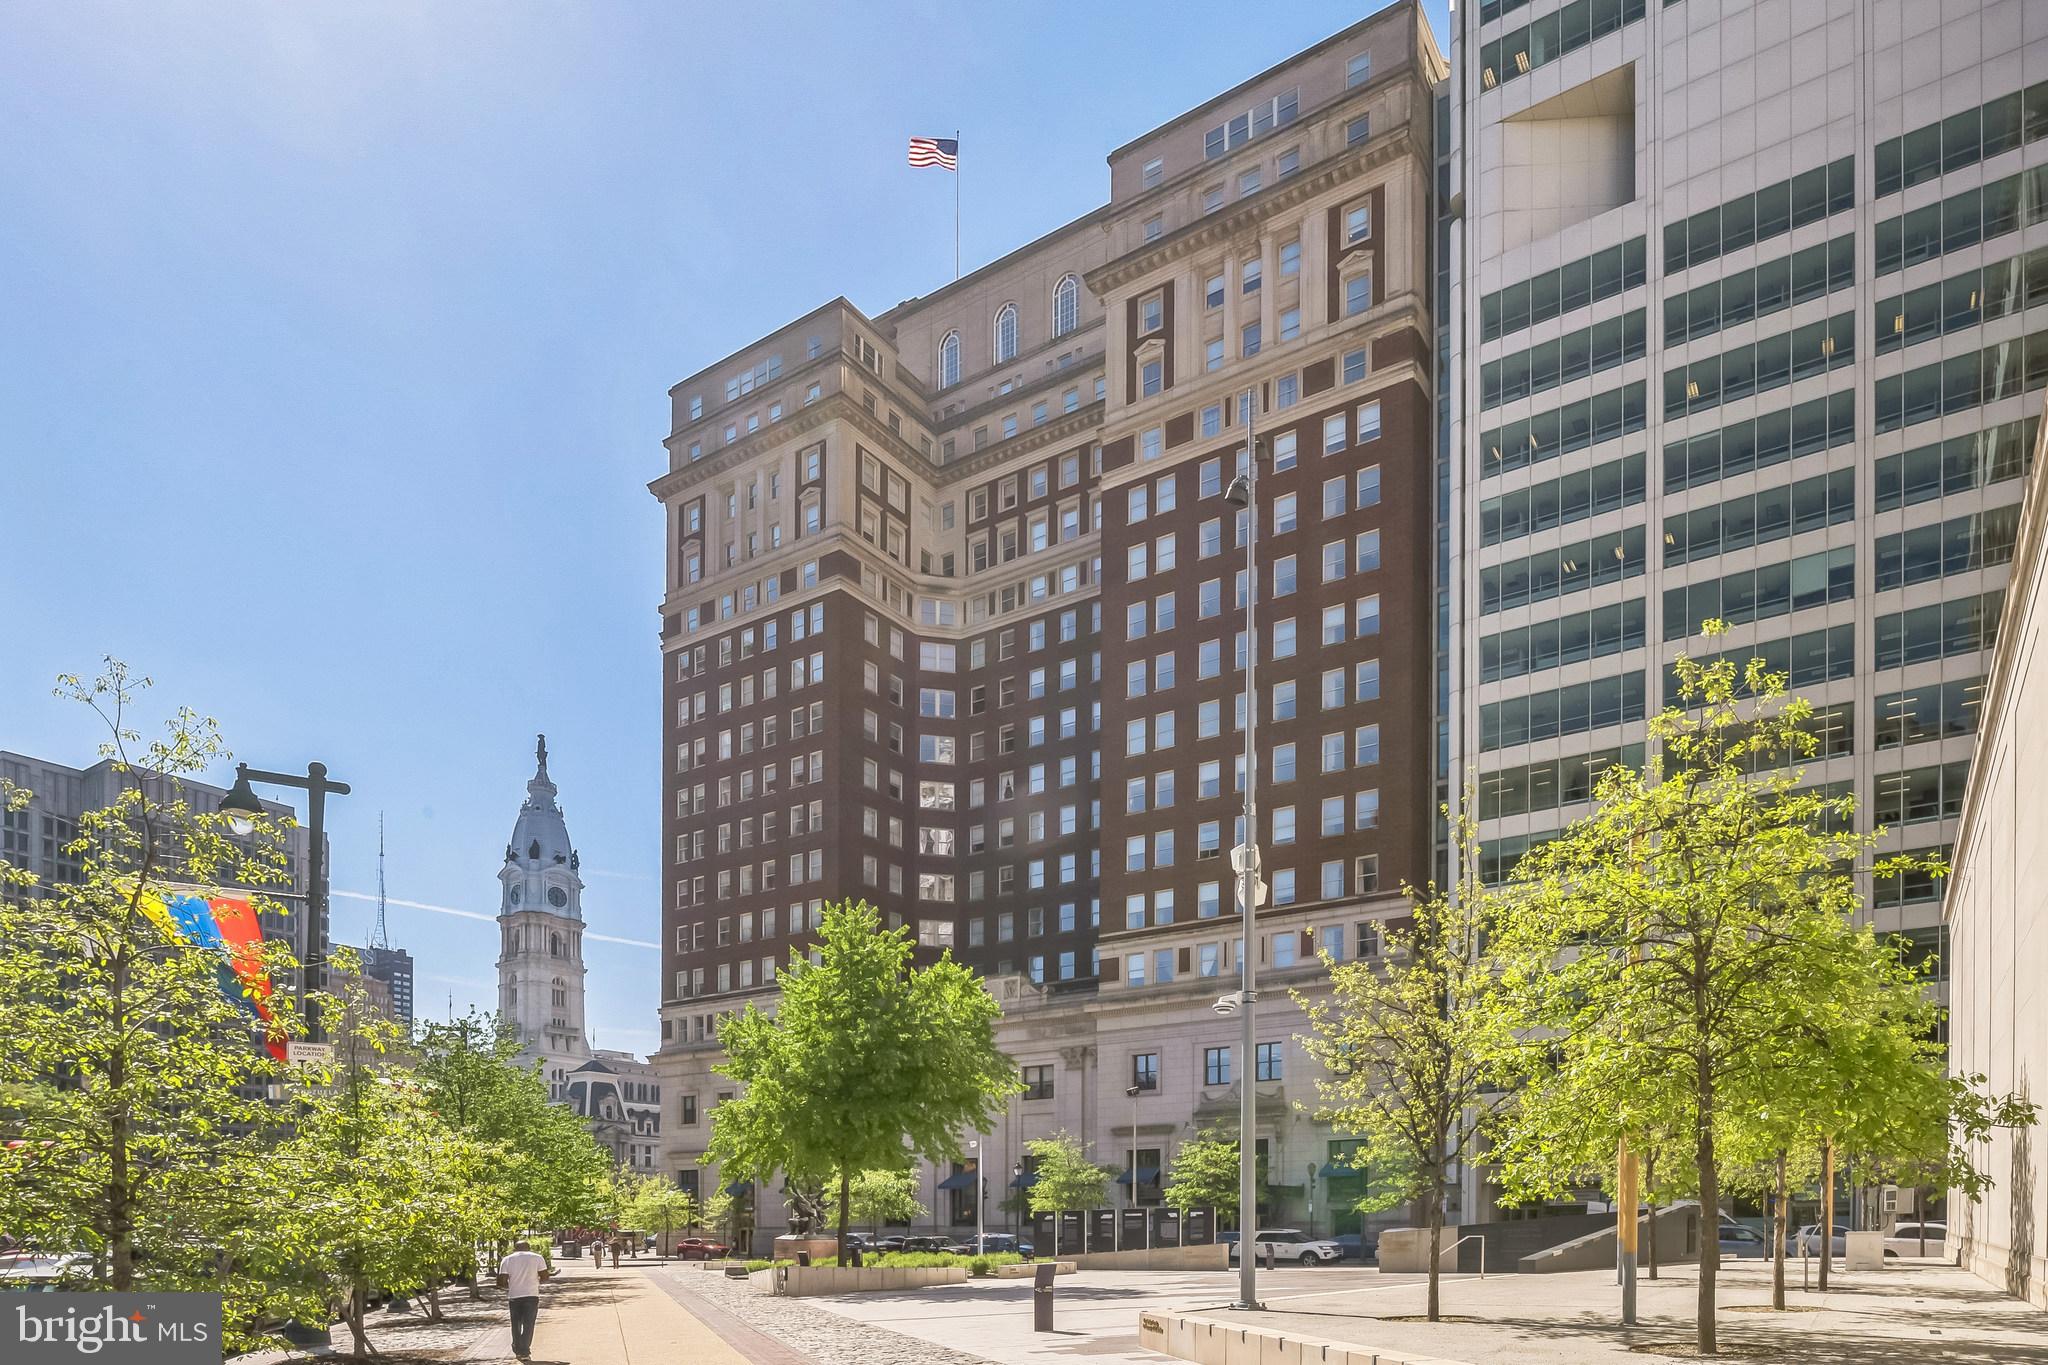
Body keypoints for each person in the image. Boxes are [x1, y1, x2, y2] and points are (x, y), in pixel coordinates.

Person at [494, 1240, 555, 1359]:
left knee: (516, 1323)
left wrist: (510, 1285)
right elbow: (545, 1277)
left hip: (514, 1296)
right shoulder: (537, 1258)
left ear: (514, 1248)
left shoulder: (507, 1259)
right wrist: (536, 1281)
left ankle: (517, 1348)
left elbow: (501, 1281)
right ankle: (525, 1350)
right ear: (528, 1247)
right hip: (532, 1295)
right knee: (529, 1324)